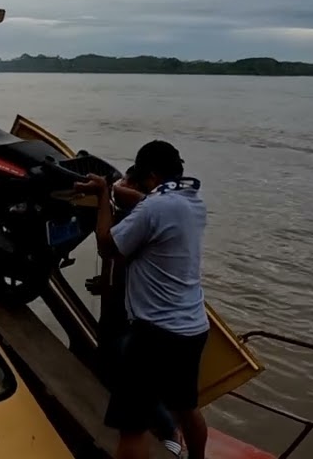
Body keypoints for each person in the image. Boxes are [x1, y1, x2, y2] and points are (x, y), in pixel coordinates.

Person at [75, 140, 209, 459]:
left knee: (132, 427)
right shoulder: (191, 202)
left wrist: (104, 197)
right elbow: (154, 206)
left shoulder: (153, 208)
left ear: (150, 175)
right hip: (192, 330)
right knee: (186, 407)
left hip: (155, 335)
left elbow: (108, 245)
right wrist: (127, 194)